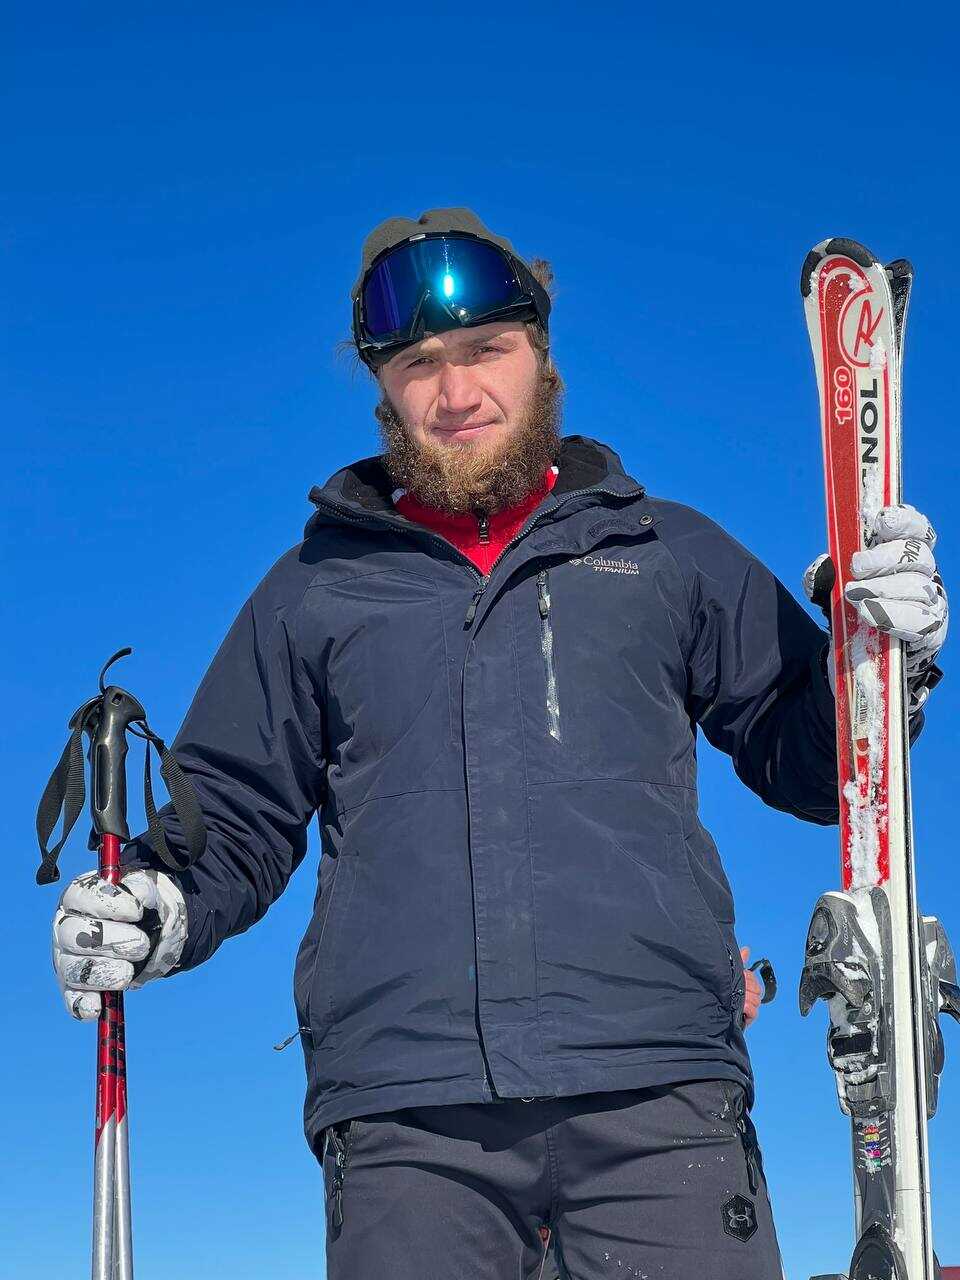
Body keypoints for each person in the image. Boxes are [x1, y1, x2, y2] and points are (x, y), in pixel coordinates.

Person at [51, 208, 948, 1279]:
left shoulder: (665, 553)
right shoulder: (313, 590)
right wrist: (162, 901)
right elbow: (237, 813)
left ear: (542, 358)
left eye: (487, 350)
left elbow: (813, 765)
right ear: (383, 389)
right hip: (411, 1121)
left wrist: (873, 664)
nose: (457, 391)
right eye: (419, 364)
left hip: (657, 1094)